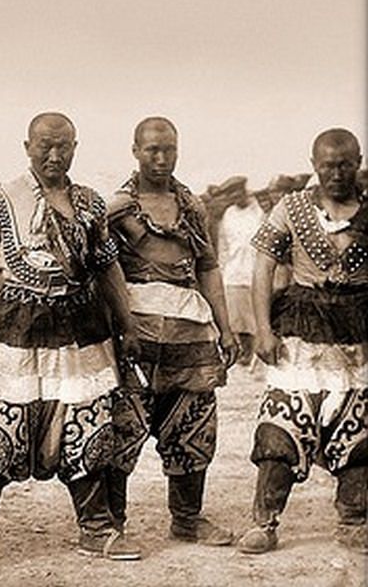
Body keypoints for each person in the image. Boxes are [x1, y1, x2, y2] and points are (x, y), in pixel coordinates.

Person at [0, 111, 142, 569]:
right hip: (16, 326)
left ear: (76, 148)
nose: (54, 155)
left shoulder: (91, 203)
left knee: (88, 422)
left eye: (63, 146)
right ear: (27, 147)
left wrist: (127, 324)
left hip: (81, 328)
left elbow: (106, 267)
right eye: (44, 145)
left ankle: (96, 530)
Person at [104, 117, 237, 548]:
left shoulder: (193, 206)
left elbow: (208, 267)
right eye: (152, 150)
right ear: (135, 150)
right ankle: (112, 523)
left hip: (189, 331)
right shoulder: (118, 208)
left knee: (193, 424)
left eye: (169, 150)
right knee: (124, 424)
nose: (161, 159)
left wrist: (225, 328)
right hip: (135, 329)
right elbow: (101, 272)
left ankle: (187, 519)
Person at [238, 128, 367, 554]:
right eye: (328, 165)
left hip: (357, 337)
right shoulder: (289, 209)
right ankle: (265, 522)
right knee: (281, 427)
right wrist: (262, 328)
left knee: (360, 433)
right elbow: (262, 268)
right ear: (314, 165)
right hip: (300, 333)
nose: (336, 172)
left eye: (345, 164)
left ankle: (354, 521)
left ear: (358, 162)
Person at [216, 177, 263, 366]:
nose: (235, 197)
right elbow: (224, 245)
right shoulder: (229, 214)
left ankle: (257, 353)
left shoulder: (258, 211)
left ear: (244, 191)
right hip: (234, 272)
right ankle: (244, 352)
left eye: (237, 192)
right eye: (230, 194)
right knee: (237, 317)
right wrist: (222, 268)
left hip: (254, 270)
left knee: (255, 315)